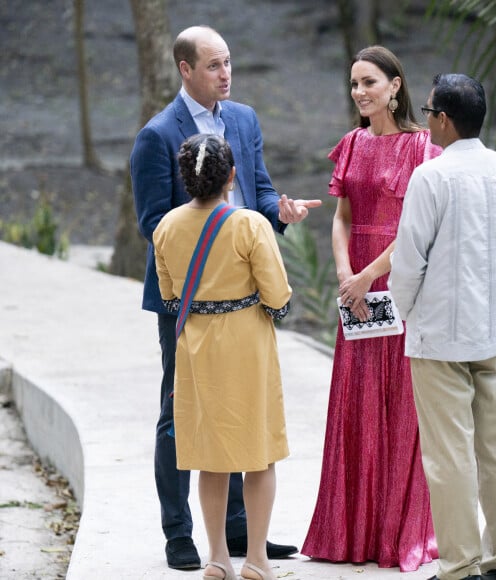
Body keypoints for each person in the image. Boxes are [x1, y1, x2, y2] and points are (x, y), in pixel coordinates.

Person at [131, 25, 320, 570]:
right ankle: (179, 533)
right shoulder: (157, 136)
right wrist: (209, 257)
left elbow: (257, 192)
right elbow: (152, 223)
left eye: (229, 62)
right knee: (180, 412)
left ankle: (239, 535)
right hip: (186, 300)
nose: (226, 74)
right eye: (213, 65)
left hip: (245, 291)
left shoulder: (244, 120)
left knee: (240, 410)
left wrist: (276, 216)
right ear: (185, 69)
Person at [301, 46, 440, 571]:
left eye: (369, 83)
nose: (359, 92)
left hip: (395, 284)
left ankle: (396, 533)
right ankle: (349, 533)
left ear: (395, 86)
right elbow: (342, 216)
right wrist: (344, 273)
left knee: (400, 401)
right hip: (355, 288)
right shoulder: (353, 143)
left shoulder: (422, 148)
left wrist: (367, 275)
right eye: (354, 83)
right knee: (356, 398)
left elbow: (414, 229)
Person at [389, 74, 496, 580]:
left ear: (442, 120)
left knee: (449, 453)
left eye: (427, 112)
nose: (426, 120)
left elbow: (408, 264)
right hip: (492, 331)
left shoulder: (432, 177)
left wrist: (406, 315)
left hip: (439, 336)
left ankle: (460, 567)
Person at [153, 133, 291, 580]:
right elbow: (278, 295)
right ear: (232, 176)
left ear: (184, 178)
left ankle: (216, 558)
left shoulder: (166, 227)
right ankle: (255, 558)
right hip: (247, 346)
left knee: (210, 458)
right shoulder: (250, 226)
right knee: (258, 455)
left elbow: (170, 294)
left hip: (196, 349)